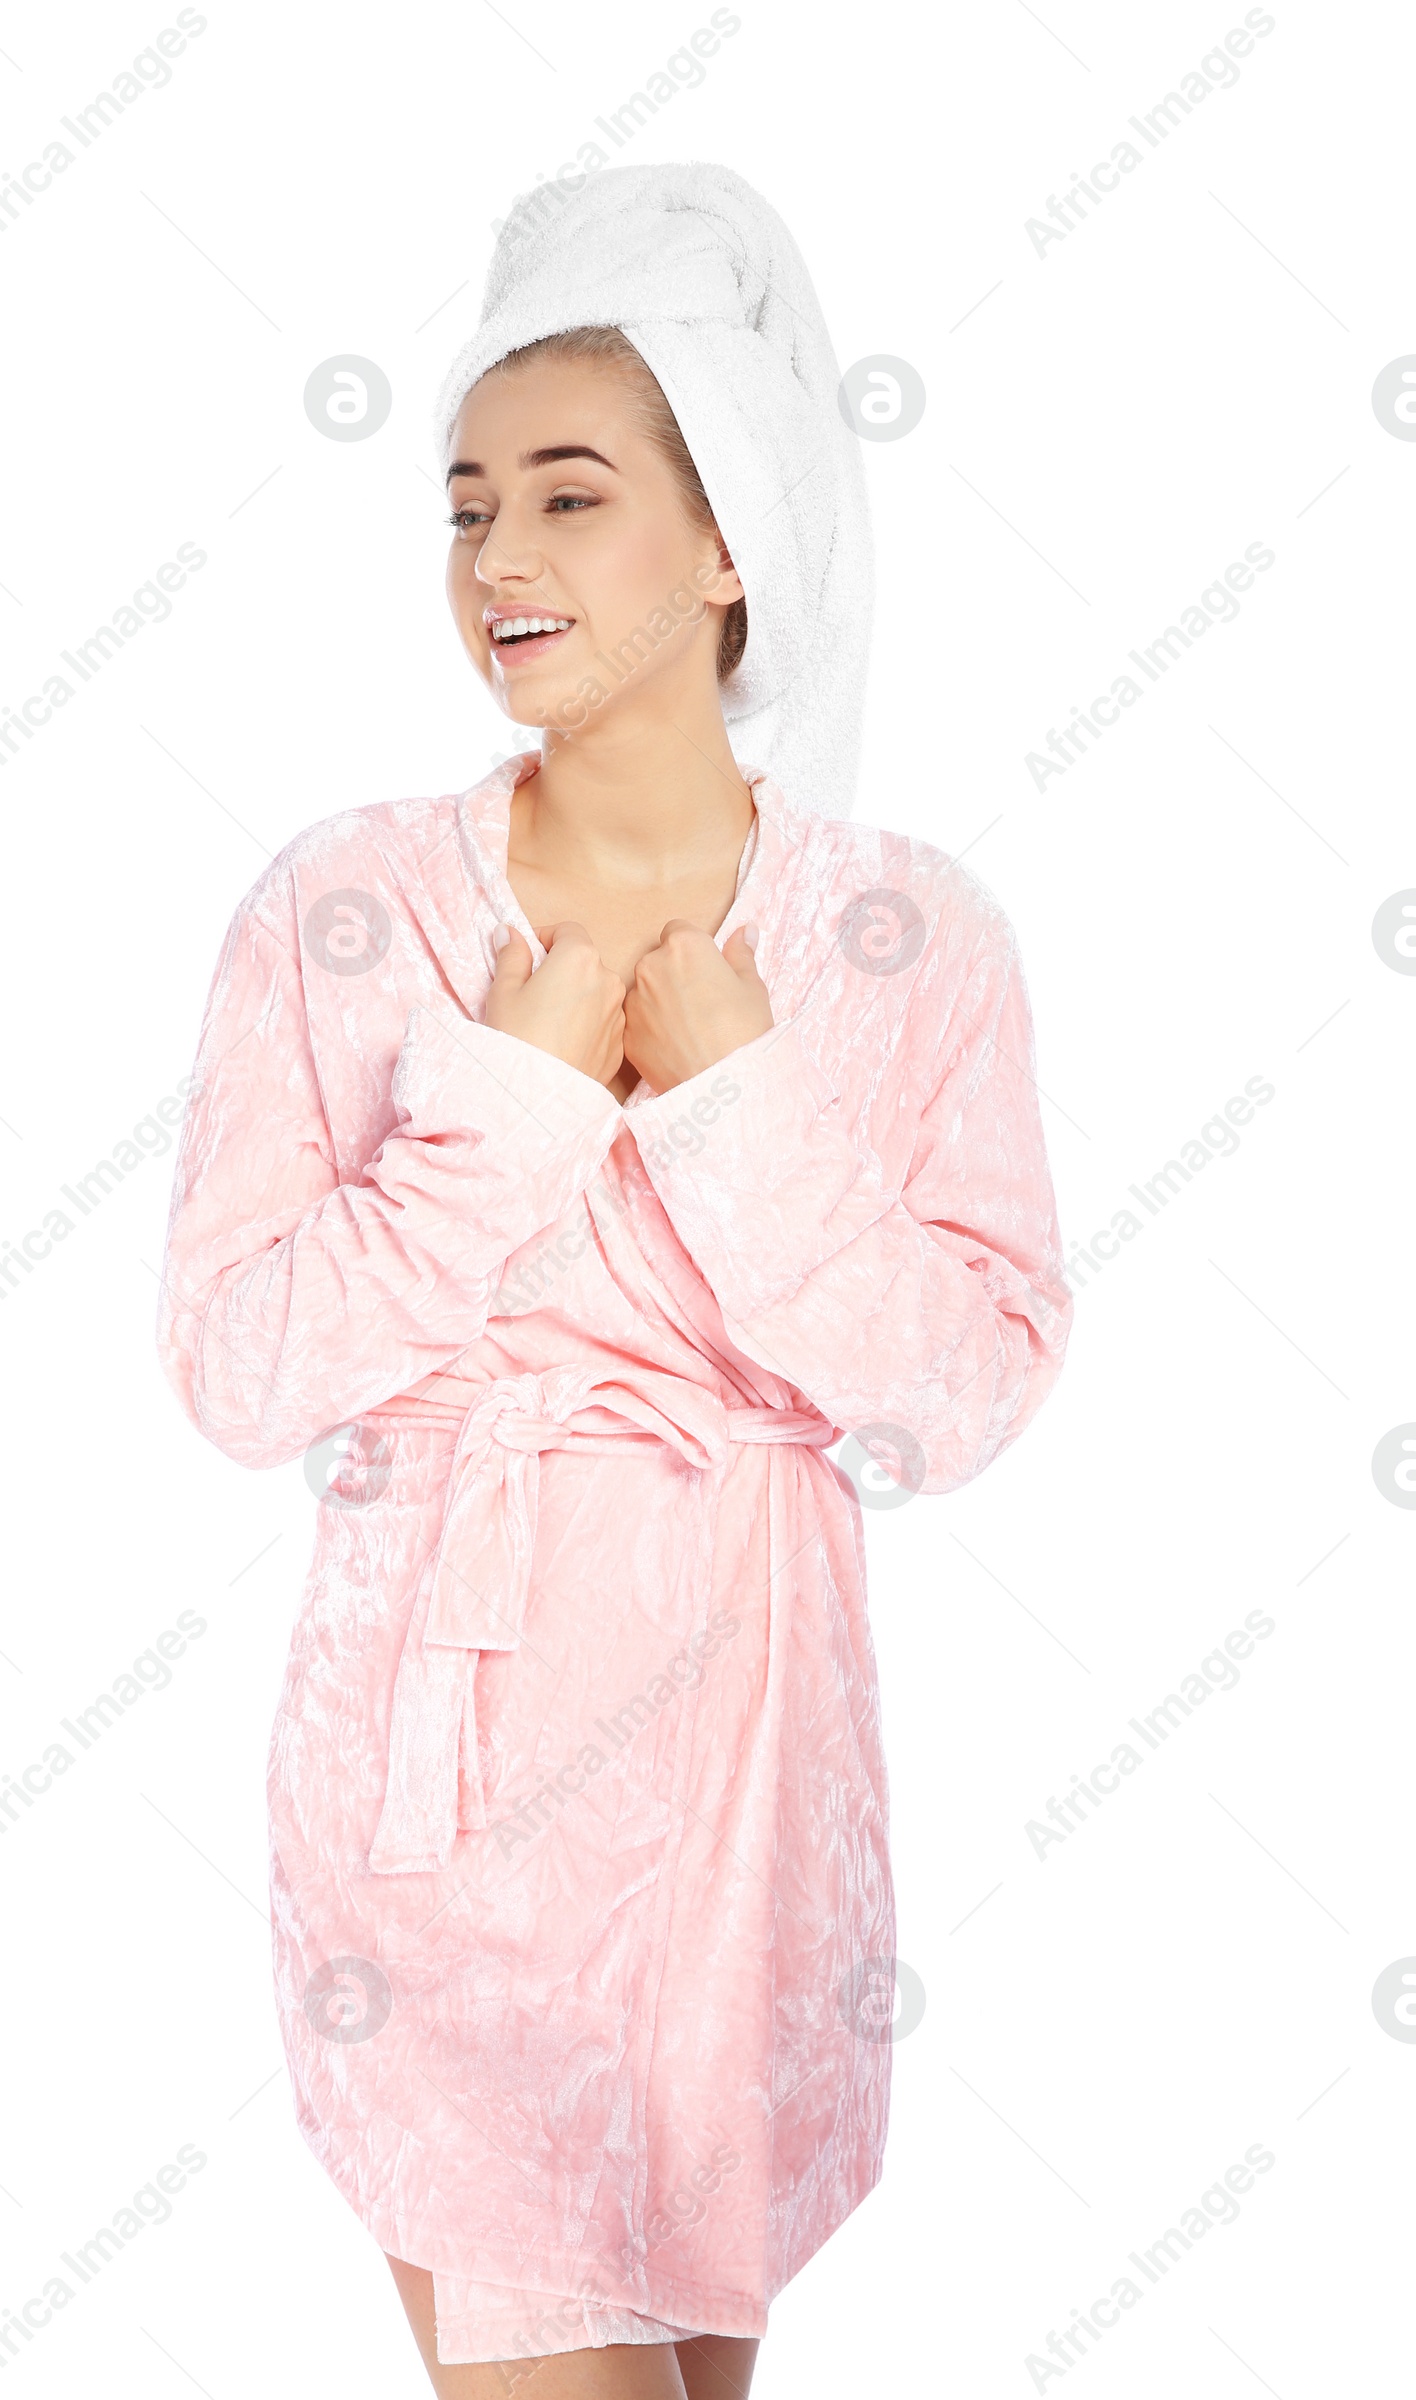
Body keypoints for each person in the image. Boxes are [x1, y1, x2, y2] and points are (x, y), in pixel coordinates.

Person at [156, 163, 1072, 2399]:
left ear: (730, 534)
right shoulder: (346, 909)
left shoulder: (906, 935)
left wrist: (748, 1110)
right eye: (466, 509)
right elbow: (234, 1365)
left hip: (757, 1802)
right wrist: (506, 1101)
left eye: (567, 501)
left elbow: (959, 1393)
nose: (497, 564)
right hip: (450, 1779)